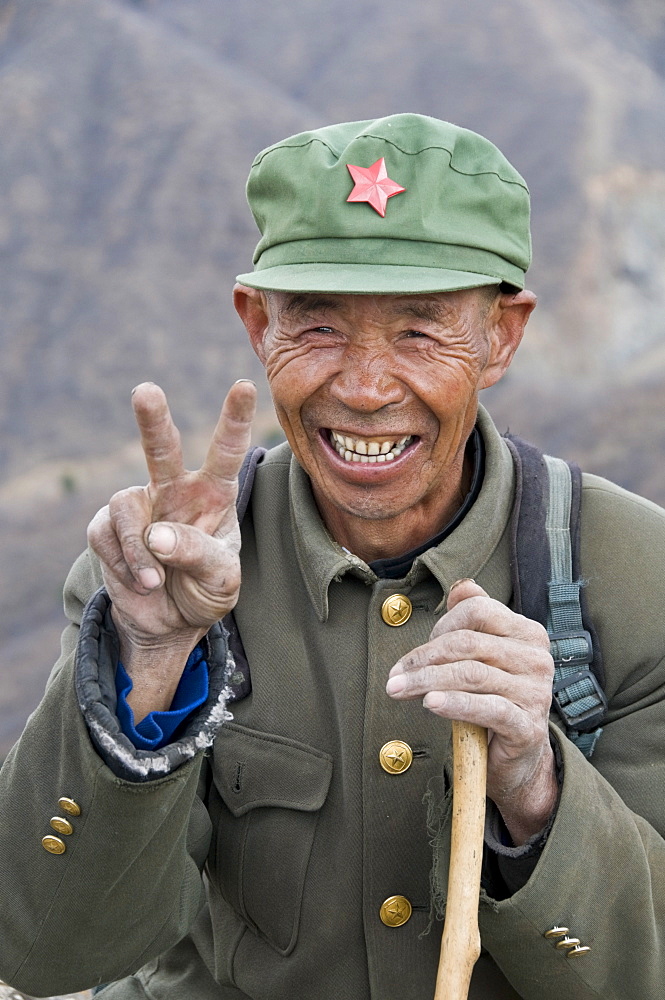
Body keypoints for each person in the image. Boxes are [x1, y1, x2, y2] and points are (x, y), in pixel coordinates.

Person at [1, 113, 664, 1000]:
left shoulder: (635, 578)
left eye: (420, 333)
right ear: (255, 321)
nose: (361, 387)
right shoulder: (158, 581)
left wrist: (533, 788)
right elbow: (47, 954)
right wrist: (151, 661)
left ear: (502, 335)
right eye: (315, 329)